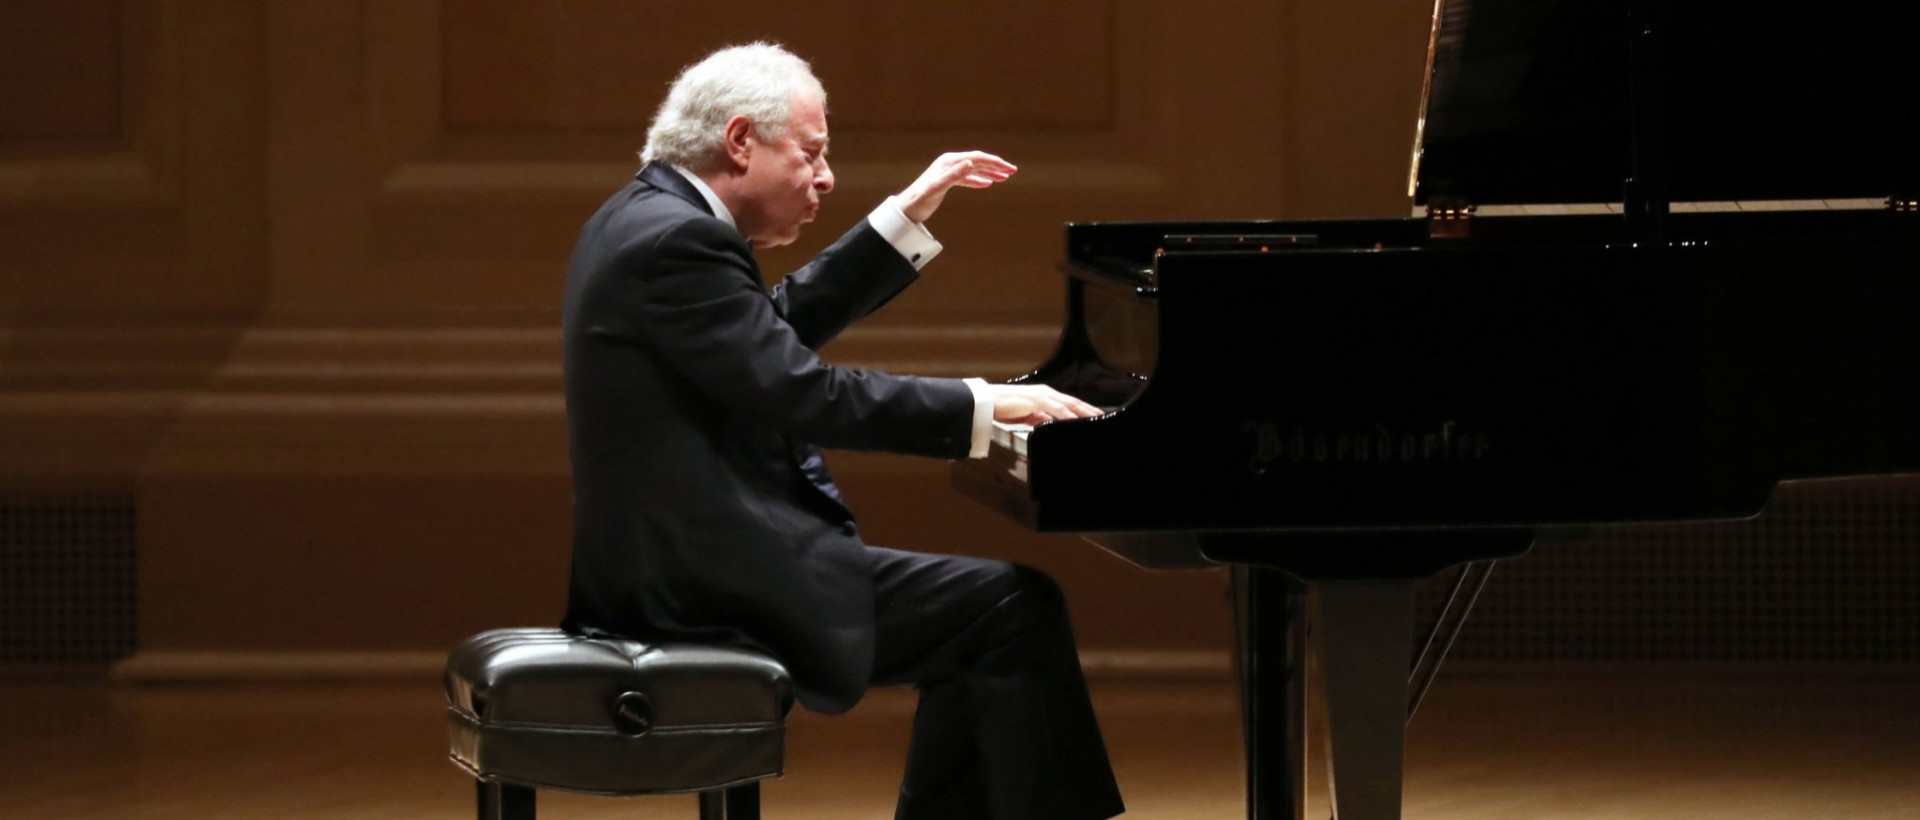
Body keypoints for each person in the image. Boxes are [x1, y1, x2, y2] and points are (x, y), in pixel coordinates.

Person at [558, 43, 1124, 820]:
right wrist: (983, 404)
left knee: (997, 614)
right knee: (1008, 611)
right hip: (699, 585)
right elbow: (801, 392)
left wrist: (903, 217)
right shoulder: (677, 241)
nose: (825, 178)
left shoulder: (646, 218)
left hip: (672, 564)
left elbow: (765, 339)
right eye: (812, 153)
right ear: (739, 141)